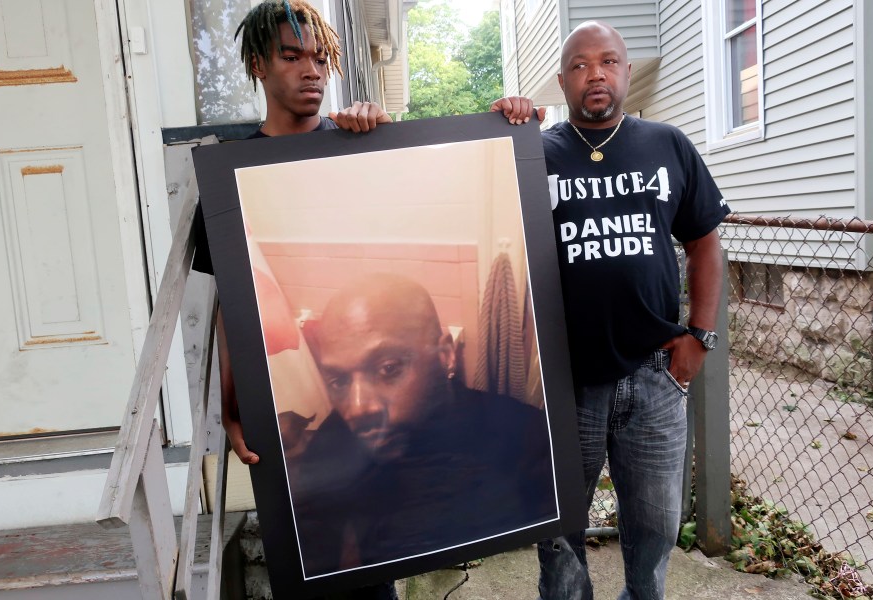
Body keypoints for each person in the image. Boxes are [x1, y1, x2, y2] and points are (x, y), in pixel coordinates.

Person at [491, 20, 730, 600]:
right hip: (564, 381)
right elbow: (487, 228)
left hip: (653, 378)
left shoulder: (667, 144)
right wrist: (500, 129)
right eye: (579, 64)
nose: (594, 73)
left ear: (625, 70)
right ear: (561, 80)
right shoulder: (531, 154)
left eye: (608, 61)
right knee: (560, 533)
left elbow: (704, 242)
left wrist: (700, 334)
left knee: (655, 530)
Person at [190, 2, 392, 598]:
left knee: (375, 564)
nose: (312, 71)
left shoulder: (361, 149)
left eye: (321, 58)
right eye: (291, 55)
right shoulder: (229, 179)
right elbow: (233, 300)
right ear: (259, 64)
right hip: (288, 407)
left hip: (358, 400)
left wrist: (384, 134)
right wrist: (232, 403)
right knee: (307, 560)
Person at [285, 274, 556, 576]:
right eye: (339, 380)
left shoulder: (527, 439)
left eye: (388, 368)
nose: (357, 408)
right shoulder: (331, 446)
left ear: (446, 356)